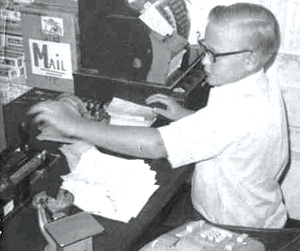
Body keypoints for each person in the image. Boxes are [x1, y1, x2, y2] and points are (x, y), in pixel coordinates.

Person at [29, 3, 289, 232]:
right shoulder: (256, 84)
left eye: (214, 55)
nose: (205, 62)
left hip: (235, 228)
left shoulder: (237, 110)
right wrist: (184, 115)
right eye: (205, 49)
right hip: (255, 212)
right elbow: (226, 133)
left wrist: (75, 125)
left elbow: (155, 145)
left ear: (250, 59)